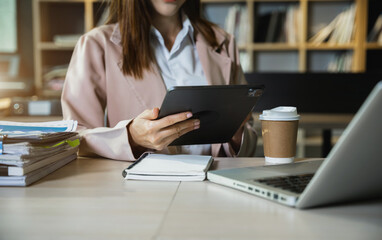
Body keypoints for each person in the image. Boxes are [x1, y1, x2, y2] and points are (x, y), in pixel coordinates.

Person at [61, 0, 257, 160]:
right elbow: (73, 139)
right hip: (140, 195)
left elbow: (248, 141)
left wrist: (237, 134)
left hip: (215, 189)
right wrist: (130, 138)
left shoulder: (223, 42)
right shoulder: (96, 45)